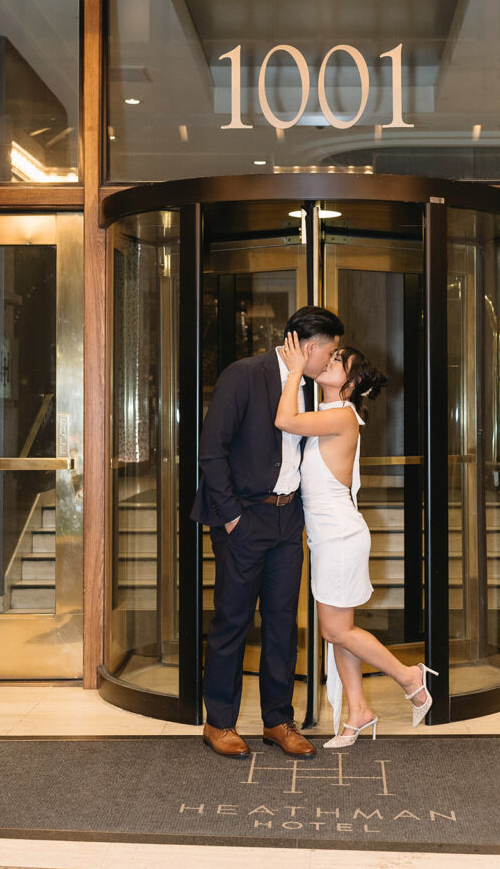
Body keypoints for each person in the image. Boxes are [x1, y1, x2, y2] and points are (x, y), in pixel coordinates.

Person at [191, 306, 344, 759]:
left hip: (286, 518)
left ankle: (278, 721)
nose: (331, 360)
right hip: (244, 517)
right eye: (330, 351)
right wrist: (232, 515)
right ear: (309, 346)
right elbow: (211, 449)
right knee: (233, 621)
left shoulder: (314, 389)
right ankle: (218, 722)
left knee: (281, 625)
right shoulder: (245, 375)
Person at [275, 331, 438, 747]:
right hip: (329, 536)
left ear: (349, 383)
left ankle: (409, 677)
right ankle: (360, 712)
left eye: (339, 360)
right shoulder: (331, 411)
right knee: (339, 629)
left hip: (339, 538)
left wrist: (295, 371)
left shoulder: (343, 415)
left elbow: (285, 421)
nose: (330, 360)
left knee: (335, 630)